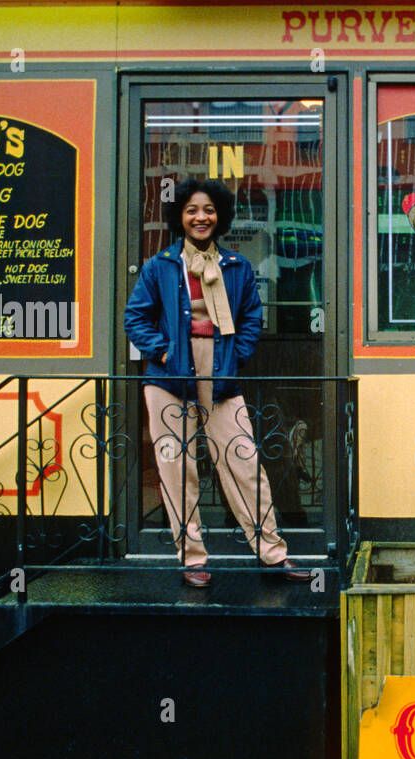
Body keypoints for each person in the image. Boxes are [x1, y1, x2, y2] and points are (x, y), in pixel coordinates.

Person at [125, 178, 311, 586]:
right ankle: (192, 559)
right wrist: (163, 351)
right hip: (169, 375)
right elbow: (134, 318)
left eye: (208, 209)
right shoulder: (160, 266)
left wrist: (236, 356)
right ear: (180, 216)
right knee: (178, 468)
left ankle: (273, 554)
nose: (200, 217)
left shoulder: (237, 266)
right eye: (192, 210)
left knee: (243, 461)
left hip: (220, 369)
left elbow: (249, 320)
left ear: (219, 215)